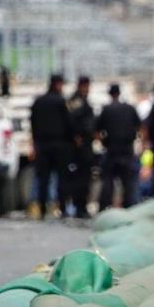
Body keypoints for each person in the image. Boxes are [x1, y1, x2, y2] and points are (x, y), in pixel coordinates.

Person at [30, 73, 73, 219]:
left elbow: (33, 125)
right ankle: (62, 208)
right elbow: (68, 125)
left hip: (42, 146)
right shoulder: (61, 102)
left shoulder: (38, 102)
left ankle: (42, 208)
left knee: (43, 179)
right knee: (62, 179)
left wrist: (35, 145)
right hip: (59, 145)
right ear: (58, 84)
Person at [95, 83, 141, 209]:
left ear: (110, 94)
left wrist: (104, 143)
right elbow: (139, 126)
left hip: (111, 150)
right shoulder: (129, 108)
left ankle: (105, 206)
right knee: (128, 182)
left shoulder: (106, 109)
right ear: (119, 93)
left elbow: (98, 130)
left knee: (108, 181)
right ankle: (129, 207)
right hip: (127, 150)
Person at [66, 76, 95, 219]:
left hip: (85, 144)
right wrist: (76, 137)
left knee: (85, 178)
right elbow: (71, 120)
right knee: (80, 178)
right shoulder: (76, 101)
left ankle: (82, 206)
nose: (87, 89)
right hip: (80, 146)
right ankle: (79, 207)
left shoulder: (83, 100)